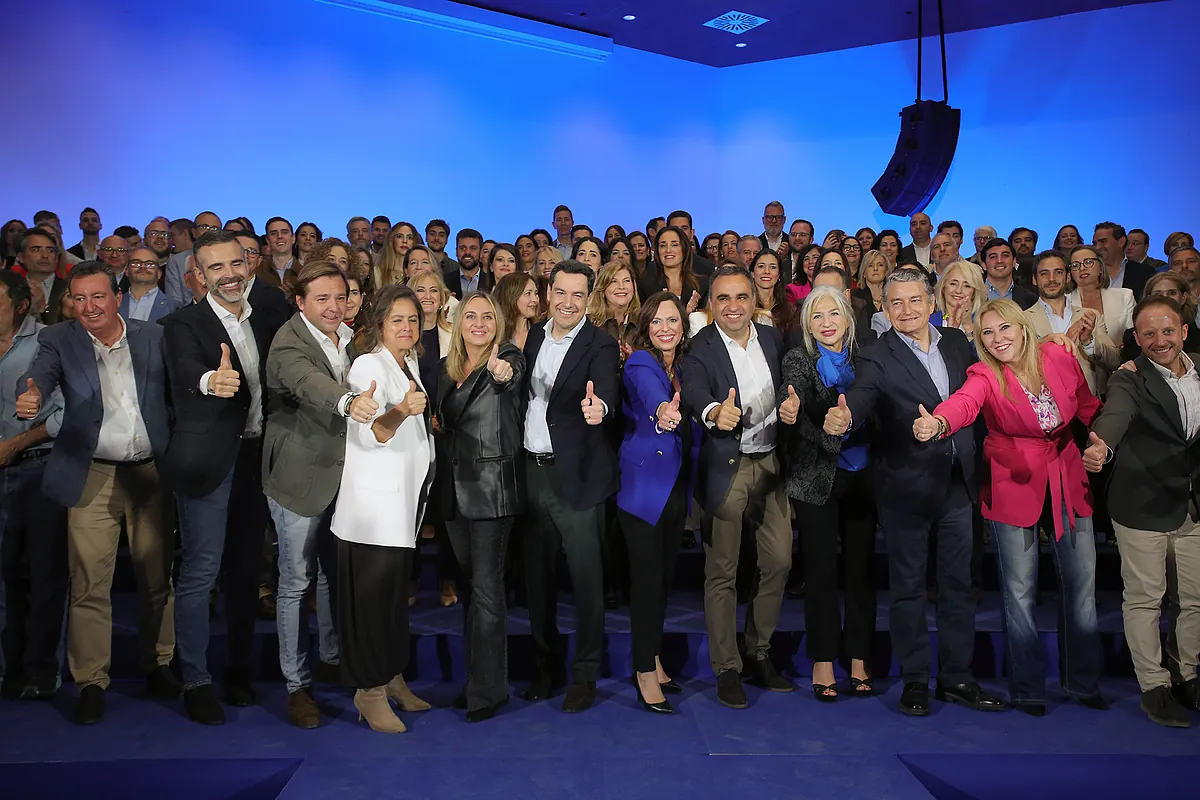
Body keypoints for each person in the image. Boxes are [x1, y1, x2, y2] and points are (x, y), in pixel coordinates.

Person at [822, 266, 1004, 717]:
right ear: (885, 309)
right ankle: (916, 680)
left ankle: (957, 678)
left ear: (931, 303)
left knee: (959, 586)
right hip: (904, 485)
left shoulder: (958, 342)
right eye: (896, 303)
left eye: (915, 300)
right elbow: (862, 395)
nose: (906, 310)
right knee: (907, 589)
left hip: (958, 483)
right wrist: (846, 418)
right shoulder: (875, 354)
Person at [915, 300, 1105, 715]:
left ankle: (1083, 682)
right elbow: (964, 403)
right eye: (987, 333)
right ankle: (1028, 689)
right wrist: (939, 423)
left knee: (1082, 587)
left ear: (1022, 328)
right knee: (1019, 592)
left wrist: (1105, 441)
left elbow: (1089, 407)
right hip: (1012, 482)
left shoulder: (1058, 356)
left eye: (1004, 328)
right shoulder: (984, 375)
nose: (998, 338)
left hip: (1067, 473)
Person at [17, 261, 177, 725]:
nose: (89, 307)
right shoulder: (59, 339)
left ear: (117, 297)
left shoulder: (154, 336)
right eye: (80, 298)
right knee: (89, 582)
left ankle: (160, 664)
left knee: (156, 578)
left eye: (98, 296)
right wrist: (32, 397)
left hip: (150, 473)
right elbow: (40, 376)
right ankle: (90, 682)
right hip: (91, 472)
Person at [159, 231, 283, 725]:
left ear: (249, 264)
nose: (229, 275)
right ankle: (195, 679)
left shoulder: (270, 313)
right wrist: (213, 379)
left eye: (236, 263)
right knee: (200, 572)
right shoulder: (181, 324)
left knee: (246, 572)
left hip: (257, 460)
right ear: (198, 275)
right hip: (208, 464)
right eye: (216, 268)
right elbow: (185, 368)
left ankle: (238, 670)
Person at [679, 266, 794, 709]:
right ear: (711, 303)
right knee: (722, 571)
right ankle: (727, 667)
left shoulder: (773, 339)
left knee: (779, 561)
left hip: (771, 464)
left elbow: (789, 385)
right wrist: (713, 412)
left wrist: (793, 402)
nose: (733, 306)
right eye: (723, 298)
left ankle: (757, 652)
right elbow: (693, 390)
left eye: (741, 297)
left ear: (753, 301)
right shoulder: (699, 347)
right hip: (727, 466)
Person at [263, 262, 371, 728]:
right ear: (301, 301)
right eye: (322, 298)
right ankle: (297, 685)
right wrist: (349, 402)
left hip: (343, 477)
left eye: (340, 297)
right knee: (295, 581)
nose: (333, 306)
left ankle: (331, 658)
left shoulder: (350, 338)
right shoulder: (288, 342)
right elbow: (310, 383)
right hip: (298, 479)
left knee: (331, 575)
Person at [1084, 295, 1200, 727]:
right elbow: (1115, 414)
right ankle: (1154, 686)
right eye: (1149, 334)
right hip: (1141, 505)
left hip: (1192, 505)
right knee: (1146, 599)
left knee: (1193, 599)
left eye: (1167, 331)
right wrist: (1102, 445)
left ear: (1183, 331)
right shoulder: (1129, 377)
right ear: (1137, 337)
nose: (1159, 340)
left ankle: (1187, 675)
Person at [331, 283, 435, 734]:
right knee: (371, 606)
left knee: (392, 603)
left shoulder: (408, 361)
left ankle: (391, 676)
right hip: (371, 514)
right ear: (379, 324)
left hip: (401, 509)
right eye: (397, 320)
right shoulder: (367, 365)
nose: (406, 327)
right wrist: (401, 411)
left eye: (412, 319)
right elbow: (374, 431)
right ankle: (368, 691)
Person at [520, 261, 619, 713]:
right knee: (537, 580)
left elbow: (607, 394)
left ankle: (585, 673)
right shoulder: (533, 337)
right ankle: (546, 665)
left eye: (578, 295)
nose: (567, 302)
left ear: (589, 299)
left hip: (576, 475)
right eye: (560, 292)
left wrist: (601, 409)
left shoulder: (601, 344)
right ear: (548, 292)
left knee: (586, 582)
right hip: (531, 472)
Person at [778, 286, 875, 701]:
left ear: (848, 318)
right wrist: (796, 412)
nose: (827, 323)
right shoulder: (797, 360)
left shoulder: (867, 356)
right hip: (815, 477)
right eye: (817, 316)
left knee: (860, 573)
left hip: (864, 476)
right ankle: (822, 660)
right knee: (820, 573)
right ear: (807, 325)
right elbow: (797, 404)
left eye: (834, 314)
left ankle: (859, 658)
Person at [436, 291, 526, 722]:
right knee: (472, 589)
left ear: (498, 323)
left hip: (492, 491)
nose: (478, 323)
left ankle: (488, 693)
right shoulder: (445, 368)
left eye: (487, 316)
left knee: (488, 591)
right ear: (458, 324)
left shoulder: (506, 358)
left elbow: (511, 375)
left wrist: (503, 372)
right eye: (469, 316)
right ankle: (478, 680)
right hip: (454, 492)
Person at [616, 291, 696, 713]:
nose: (665, 328)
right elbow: (651, 395)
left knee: (662, 581)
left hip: (676, 487)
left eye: (673, 320)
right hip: (644, 489)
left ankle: (655, 658)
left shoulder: (680, 365)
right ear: (646, 327)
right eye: (657, 321)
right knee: (647, 584)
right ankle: (644, 670)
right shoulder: (641, 362)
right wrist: (664, 410)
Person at [0, 271, 67, 701]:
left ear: (20, 306)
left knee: (45, 575)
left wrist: (15, 444)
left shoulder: (47, 342)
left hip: (39, 467)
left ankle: (42, 670)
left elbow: (65, 411)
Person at [1024, 250, 1119, 396]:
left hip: (1090, 403)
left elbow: (1114, 361)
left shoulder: (1091, 316)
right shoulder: (1022, 320)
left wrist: (1088, 342)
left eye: (1058, 272)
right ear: (1034, 280)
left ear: (1068, 277)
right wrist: (1056, 347)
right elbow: (1021, 366)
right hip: (1047, 404)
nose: (1051, 279)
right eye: (1044, 273)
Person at [1066, 244, 1136, 373]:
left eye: (1088, 262)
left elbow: (1132, 339)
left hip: (1122, 369)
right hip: (1081, 373)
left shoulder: (1124, 296)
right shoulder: (1064, 302)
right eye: (1075, 265)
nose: (1082, 268)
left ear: (1100, 267)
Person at [1119, 271, 1200, 361]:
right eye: (1157, 294)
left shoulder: (1196, 336)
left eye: (1172, 293)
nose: (1165, 298)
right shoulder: (1131, 339)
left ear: (1183, 298)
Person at [638, 226, 707, 312]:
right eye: (663, 245)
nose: (668, 250)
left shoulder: (702, 284)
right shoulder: (646, 285)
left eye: (674, 245)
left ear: (684, 248)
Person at [119, 247, 183, 323]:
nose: (143, 267)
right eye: (136, 263)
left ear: (159, 274)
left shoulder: (174, 307)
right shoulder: (114, 303)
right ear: (126, 271)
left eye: (150, 264)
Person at [1093, 222, 1153, 299]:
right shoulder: (1090, 273)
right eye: (1095, 243)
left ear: (1121, 242)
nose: (1097, 247)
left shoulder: (1145, 273)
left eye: (1103, 241)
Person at [934, 260, 987, 346]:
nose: (958, 291)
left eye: (967, 286)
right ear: (943, 287)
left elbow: (983, 353)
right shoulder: (929, 322)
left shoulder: (984, 322)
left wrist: (968, 326)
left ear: (974, 292)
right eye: (953, 284)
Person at [981, 238, 1038, 309]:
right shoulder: (972, 295)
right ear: (984, 265)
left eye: (1005, 255)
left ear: (1014, 262)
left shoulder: (1030, 299)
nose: (999, 261)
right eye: (993, 257)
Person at [495, 272, 542, 351]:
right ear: (511, 297)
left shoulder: (542, 332)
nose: (535, 299)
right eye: (528, 293)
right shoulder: (496, 334)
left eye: (536, 293)